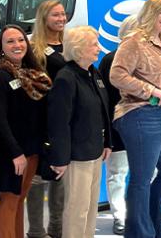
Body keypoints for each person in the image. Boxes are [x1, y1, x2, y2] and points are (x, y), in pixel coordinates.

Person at [110, 0, 161, 238]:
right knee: (142, 179)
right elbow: (117, 75)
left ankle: (153, 224)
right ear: (149, 14)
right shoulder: (134, 41)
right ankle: (139, 233)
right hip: (139, 113)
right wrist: (150, 91)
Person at [0, 25, 52, 238]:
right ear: (1, 48)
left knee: (19, 199)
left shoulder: (31, 74)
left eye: (21, 40)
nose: (17, 45)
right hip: (11, 153)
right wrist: (15, 153)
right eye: (10, 41)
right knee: (9, 201)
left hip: (30, 150)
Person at [47, 25, 112, 238]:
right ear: (79, 49)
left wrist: (108, 142)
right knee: (77, 210)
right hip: (76, 155)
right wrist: (60, 158)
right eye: (94, 44)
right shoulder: (66, 78)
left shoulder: (93, 73)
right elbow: (58, 121)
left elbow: (104, 111)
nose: (98, 48)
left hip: (94, 151)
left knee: (91, 207)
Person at [25, 0, 68, 238]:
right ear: (44, 18)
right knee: (38, 178)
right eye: (55, 15)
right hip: (40, 119)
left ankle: (57, 227)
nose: (61, 19)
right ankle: (36, 230)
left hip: (64, 120)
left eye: (63, 14)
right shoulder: (35, 48)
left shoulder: (69, 44)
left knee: (60, 176)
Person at [99, 15, 136, 235]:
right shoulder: (109, 60)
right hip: (118, 127)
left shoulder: (148, 58)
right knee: (117, 173)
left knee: (147, 173)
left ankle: (141, 212)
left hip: (144, 127)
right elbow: (106, 100)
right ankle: (119, 216)